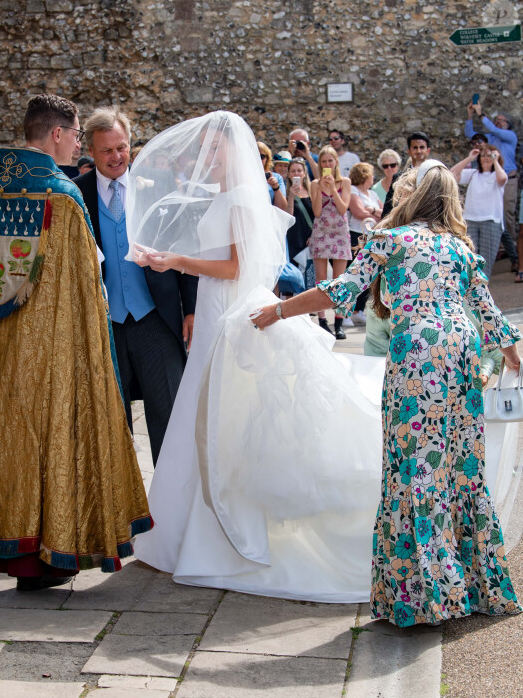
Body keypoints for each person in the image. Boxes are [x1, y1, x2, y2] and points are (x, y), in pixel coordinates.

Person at [129, 111, 384, 603]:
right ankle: (178, 533)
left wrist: (174, 260)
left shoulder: (245, 195)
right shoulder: (221, 196)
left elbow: (238, 265)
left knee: (224, 418)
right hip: (211, 308)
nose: (207, 155)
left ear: (232, 150)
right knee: (199, 417)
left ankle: (218, 533)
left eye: (213, 147)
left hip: (230, 308)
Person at [253, 160, 521, 626]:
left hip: (418, 352)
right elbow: (491, 314)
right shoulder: (460, 247)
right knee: (459, 465)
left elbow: (341, 291)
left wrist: (278, 310)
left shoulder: (389, 241)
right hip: (461, 353)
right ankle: (473, 586)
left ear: (411, 197)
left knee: (412, 465)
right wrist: (514, 360)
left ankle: (424, 597)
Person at [0, 94, 152, 590]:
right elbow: (84, 289)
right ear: (56, 134)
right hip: (42, 352)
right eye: (78, 135)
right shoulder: (61, 198)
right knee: (41, 439)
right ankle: (38, 564)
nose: (79, 143)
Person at [75, 106, 197, 463]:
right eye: (107, 150)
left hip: (156, 319)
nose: (117, 157)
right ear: (92, 151)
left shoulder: (157, 188)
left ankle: (170, 506)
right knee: (112, 424)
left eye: (122, 147)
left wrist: (190, 309)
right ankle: (123, 512)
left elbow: (184, 246)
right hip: (104, 324)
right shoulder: (76, 194)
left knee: (169, 415)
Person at [309, 145, 351, 338]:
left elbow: (343, 209)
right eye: (324, 161)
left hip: (339, 232)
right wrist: (320, 189)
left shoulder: (345, 182)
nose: (327, 164)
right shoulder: (315, 183)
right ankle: (322, 320)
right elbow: (316, 212)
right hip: (321, 231)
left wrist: (333, 189)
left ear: (336, 163)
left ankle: (339, 321)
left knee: (339, 279)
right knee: (321, 279)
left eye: (330, 161)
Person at [465, 103, 519, 253]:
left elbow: (495, 129)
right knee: (494, 217)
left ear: (508, 125)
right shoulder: (490, 138)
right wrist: (470, 114)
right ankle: (501, 248)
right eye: (497, 119)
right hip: (491, 181)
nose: (498, 121)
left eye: (502, 120)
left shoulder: (510, 136)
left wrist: (481, 114)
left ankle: (511, 249)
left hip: (508, 179)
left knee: (507, 215)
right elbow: (470, 134)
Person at [451, 145, 507, 280]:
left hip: (491, 221)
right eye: (483, 155)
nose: (486, 158)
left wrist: (496, 160)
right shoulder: (473, 174)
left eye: (489, 155)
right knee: (470, 259)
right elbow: (452, 173)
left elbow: (502, 179)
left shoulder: (496, 174)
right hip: (471, 220)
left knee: (485, 262)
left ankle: (482, 292)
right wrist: (469, 158)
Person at [344, 162, 383, 327]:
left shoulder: (373, 194)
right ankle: (345, 311)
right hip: (356, 235)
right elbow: (358, 212)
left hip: (372, 235)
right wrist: (375, 212)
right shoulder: (353, 191)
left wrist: (371, 210)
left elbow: (385, 213)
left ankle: (358, 310)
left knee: (370, 274)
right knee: (354, 273)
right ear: (364, 175)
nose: (373, 177)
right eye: (371, 174)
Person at [382, 132, 431, 216]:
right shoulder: (399, 178)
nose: (419, 151)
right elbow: (387, 211)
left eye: (422, 147)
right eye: (415, 148)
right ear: (409, 151)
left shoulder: (436, 175)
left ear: (428, 151)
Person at [257, 141, 287, 211]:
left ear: (267, 158)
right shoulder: (242, 177)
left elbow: (282, 208)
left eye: (262, 156)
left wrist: (276, 188)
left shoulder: (277, 178)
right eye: (255, 156)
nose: (258, 159)